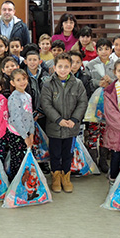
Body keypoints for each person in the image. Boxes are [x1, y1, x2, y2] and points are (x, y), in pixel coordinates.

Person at [40, 53, 88, 193]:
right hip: (54, 127)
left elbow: (82, 102)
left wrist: (74, 119)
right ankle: (56, 177)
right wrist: (59, 120)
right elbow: (46, 104)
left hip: (71, 128)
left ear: (71, 67)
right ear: (54, 67)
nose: (63, 69)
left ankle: (66, 177)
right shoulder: (48, 84)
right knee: (55, 153)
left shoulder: (78, 84)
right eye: (60, 66)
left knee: (68, 153)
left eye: (66, 66)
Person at [85, 38, 115, 173]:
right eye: (101, 49)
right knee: (92, 132)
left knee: (106, 132)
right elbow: (86, 81)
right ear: (97, 51)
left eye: (107, 49)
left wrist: (111, 81)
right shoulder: (91, 65)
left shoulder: (115, 65)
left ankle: (103, 159)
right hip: (94, 105)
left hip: (109, 104)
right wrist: (98, 83)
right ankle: (92, 159)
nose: (104, 52)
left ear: (111, 50)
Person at [5, 69, 34, 180]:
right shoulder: (13, 98)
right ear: (12, 83)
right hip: (16, 133)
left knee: (26, 158)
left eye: (24, 79)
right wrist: (25, 136)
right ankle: (16, 183)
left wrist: (31, 133)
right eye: (18, 80)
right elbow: (16, 119)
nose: (22, 82)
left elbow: (30, 115)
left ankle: (25, 181)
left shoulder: (27, 96)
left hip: (26, 133)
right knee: (16, 159)